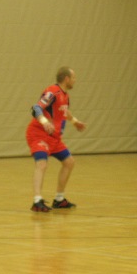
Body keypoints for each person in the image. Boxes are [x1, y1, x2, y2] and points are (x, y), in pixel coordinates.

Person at [26, 67, 87, 212]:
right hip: (39, 134)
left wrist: (75, 122)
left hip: (54, 138)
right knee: (42, 163)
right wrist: (44, 122)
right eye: (73, 78)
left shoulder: (65, 96)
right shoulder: (52, 91)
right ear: (66, 79)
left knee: (69, 162)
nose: (75, 80)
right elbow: (36, 108)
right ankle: (37, 201)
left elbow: (64, 112)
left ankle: (59, 199)